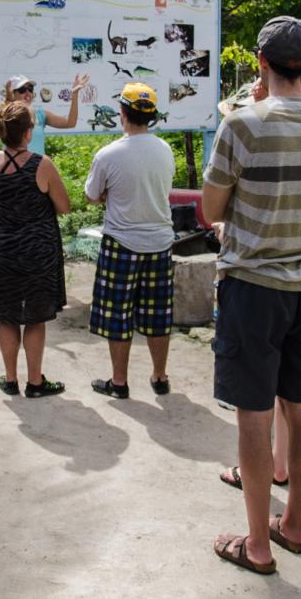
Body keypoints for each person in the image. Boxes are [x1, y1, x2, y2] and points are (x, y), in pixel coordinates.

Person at [205, 16, 301, 575]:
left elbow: (211, 209)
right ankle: (293, 524)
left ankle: (258, 545)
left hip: (253, 287)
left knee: (253, 416)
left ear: (261, 62)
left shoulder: (242, 124)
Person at [0, 100, 73, 396]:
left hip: (1, 251)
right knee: (35, 318)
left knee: (7, 316)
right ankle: (35, 382)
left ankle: (10, 379)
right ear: (28, 132)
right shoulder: (42, 164)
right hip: (37, 252)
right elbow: (64, 206)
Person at [85, 82, 177, 399]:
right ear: (151, 116)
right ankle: (160, 376)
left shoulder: (108, 155)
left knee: (117, 315)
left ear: (122, 113)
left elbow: (92, 196)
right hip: (160, 242)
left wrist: (108, 195)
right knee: (158, 314)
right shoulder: (164, 150)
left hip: (121, 243)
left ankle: (119, 382)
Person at [3, 73, 91, 155]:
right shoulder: (7, 116)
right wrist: (9, 99)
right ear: (13, 94)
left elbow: (70, 123)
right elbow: (7, 109)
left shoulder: (40, 115)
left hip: (36, 166)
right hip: (13, 166)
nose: (28, 93)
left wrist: (75, 94)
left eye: (30, 89)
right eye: (22, 90)